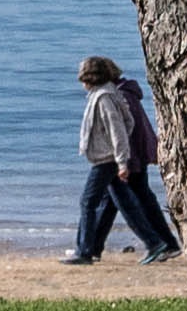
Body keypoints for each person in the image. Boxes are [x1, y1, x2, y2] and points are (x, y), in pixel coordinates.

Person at [69, 49, 176, 264]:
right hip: (124, 157)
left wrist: (123, 160)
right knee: (113, 203)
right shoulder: (116, 93)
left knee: (101, 202)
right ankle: (91, 249)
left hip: (120, 158)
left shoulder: (111, 97)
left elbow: (122, 129)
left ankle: (157, 243)